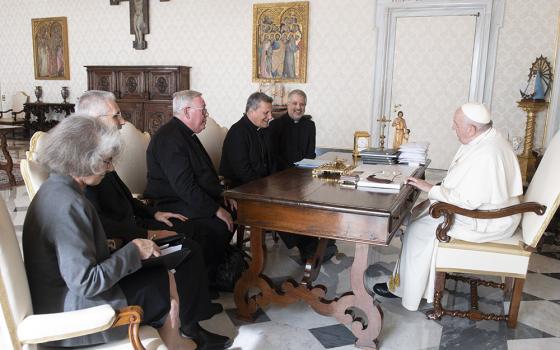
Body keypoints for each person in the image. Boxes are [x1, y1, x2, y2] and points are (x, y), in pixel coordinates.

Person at [22, 116, 196, 349]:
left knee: (161, 276)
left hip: (62, 296)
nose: (110, 167)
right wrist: (134, 250)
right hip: (70, 312)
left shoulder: (56, 188)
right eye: (106, 160)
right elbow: (86, 283)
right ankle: (174, 342)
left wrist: (121, 247)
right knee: (160, 283)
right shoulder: (69, 204)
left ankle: (173, 341)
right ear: (82, 159)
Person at [76, 90, 231, 350]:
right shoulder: (85, 163)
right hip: (122, 239)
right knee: (189, 245)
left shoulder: (98, 154)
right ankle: (190, 328)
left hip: (138, 222)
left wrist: (153, 214)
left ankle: (196, 305)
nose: (123, 121)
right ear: (94, 119)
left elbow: (126, 199)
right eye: (116, 115)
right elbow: (99, 222)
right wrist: (144, 234)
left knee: (193, 237)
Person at [373, 103, 523, 312]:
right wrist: (435, 190)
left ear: (471, 129)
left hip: (487, 220)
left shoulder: (487, 153)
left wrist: (431, 189)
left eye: (456, 124)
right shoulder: (486, 138)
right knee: (419, 215)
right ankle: (407, 283)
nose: (453, 128)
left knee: (417, 229)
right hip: (488, 211)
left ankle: (407, 291)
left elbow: (469, 201)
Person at [144, 90, 236, 284]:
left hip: (186, 199)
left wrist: (221, 194)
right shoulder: (170, 138)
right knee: (217, 225)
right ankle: (204, 281)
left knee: (232, 211)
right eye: (202, 110)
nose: (206, 115)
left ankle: (213, 273)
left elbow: (204, 174)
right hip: (172, 203)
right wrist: (215, 209)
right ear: (187, 112)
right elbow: (184, 186)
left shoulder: (186, 134)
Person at [266, 89, 337, 261]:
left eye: (302, 104)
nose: (298, 108)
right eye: (295, 103)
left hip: (303, 175)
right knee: (288, 205)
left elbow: (311, 154)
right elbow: (272, 155)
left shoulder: (309, 125)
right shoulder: (276, 125)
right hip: (281, 177)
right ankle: (307, 248)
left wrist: (304, 172)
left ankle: (319, 238)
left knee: (317, 197)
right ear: (288, 104)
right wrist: (289, 173)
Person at [219, 92, 274, 188]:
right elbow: (243, 172)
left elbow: (271, 161)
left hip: (262, 184)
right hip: (241, 188)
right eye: (266, 113)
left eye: (270, 113)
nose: (270, 117)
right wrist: (265, 186)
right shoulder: (237, 132)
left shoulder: (264, 129)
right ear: (252, 111)